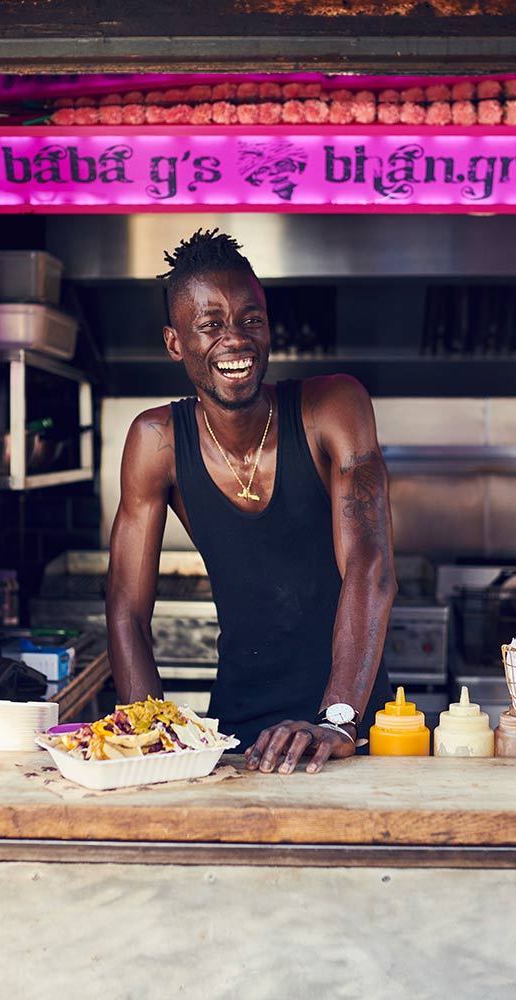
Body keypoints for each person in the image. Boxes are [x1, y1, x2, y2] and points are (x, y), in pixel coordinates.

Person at [106, 229, 395, 775]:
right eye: (210, 325)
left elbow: (371, 564)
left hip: (353, 726)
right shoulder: (156, 441)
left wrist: (337, 719)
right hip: (237, 732)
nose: (234, 339)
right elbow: (126, 609)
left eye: (250, 320)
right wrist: (146, 735)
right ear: (175, 342)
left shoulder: (333, 407)